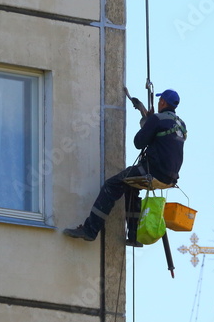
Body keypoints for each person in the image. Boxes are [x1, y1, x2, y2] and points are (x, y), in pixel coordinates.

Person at [63, 89, 187, 246]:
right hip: (170, 178)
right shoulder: (181, 125)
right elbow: (165, 143)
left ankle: (90, 230)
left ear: (162, 102)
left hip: (153, 171)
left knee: (112, 185)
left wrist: (148, 123)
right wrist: (150, 123)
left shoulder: (157, 119)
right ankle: (134, 236)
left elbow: (138, 143)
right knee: (130, 187)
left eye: (159, 100)